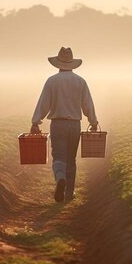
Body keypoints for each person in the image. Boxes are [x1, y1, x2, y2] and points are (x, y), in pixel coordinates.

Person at [31, 47, 99, 203]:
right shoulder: (80, 81)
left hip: (58, 124)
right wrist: (93, 122)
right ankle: (69, 193)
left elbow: (44, 104)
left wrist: (35, 122)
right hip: (75, 125)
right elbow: (87, 104)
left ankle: (60, 178)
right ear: (72, 64)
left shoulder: (52, 81)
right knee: (71, 159)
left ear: (58, 64)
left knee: (59, 157)